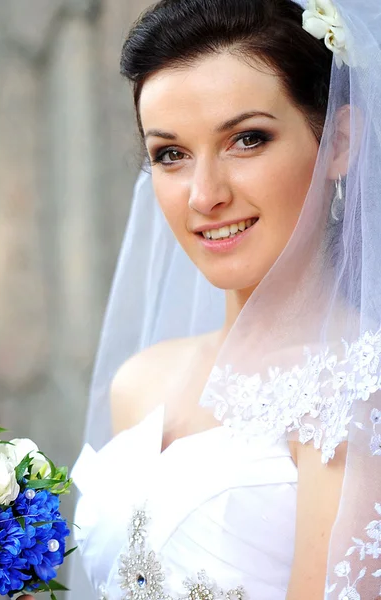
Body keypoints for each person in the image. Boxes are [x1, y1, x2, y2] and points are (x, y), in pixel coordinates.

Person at [26, 0, 381, 598]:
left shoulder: (354, 390)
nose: (204, 195)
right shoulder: (140, 383)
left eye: (247, 139)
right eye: (170, 154)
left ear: (339, 142)